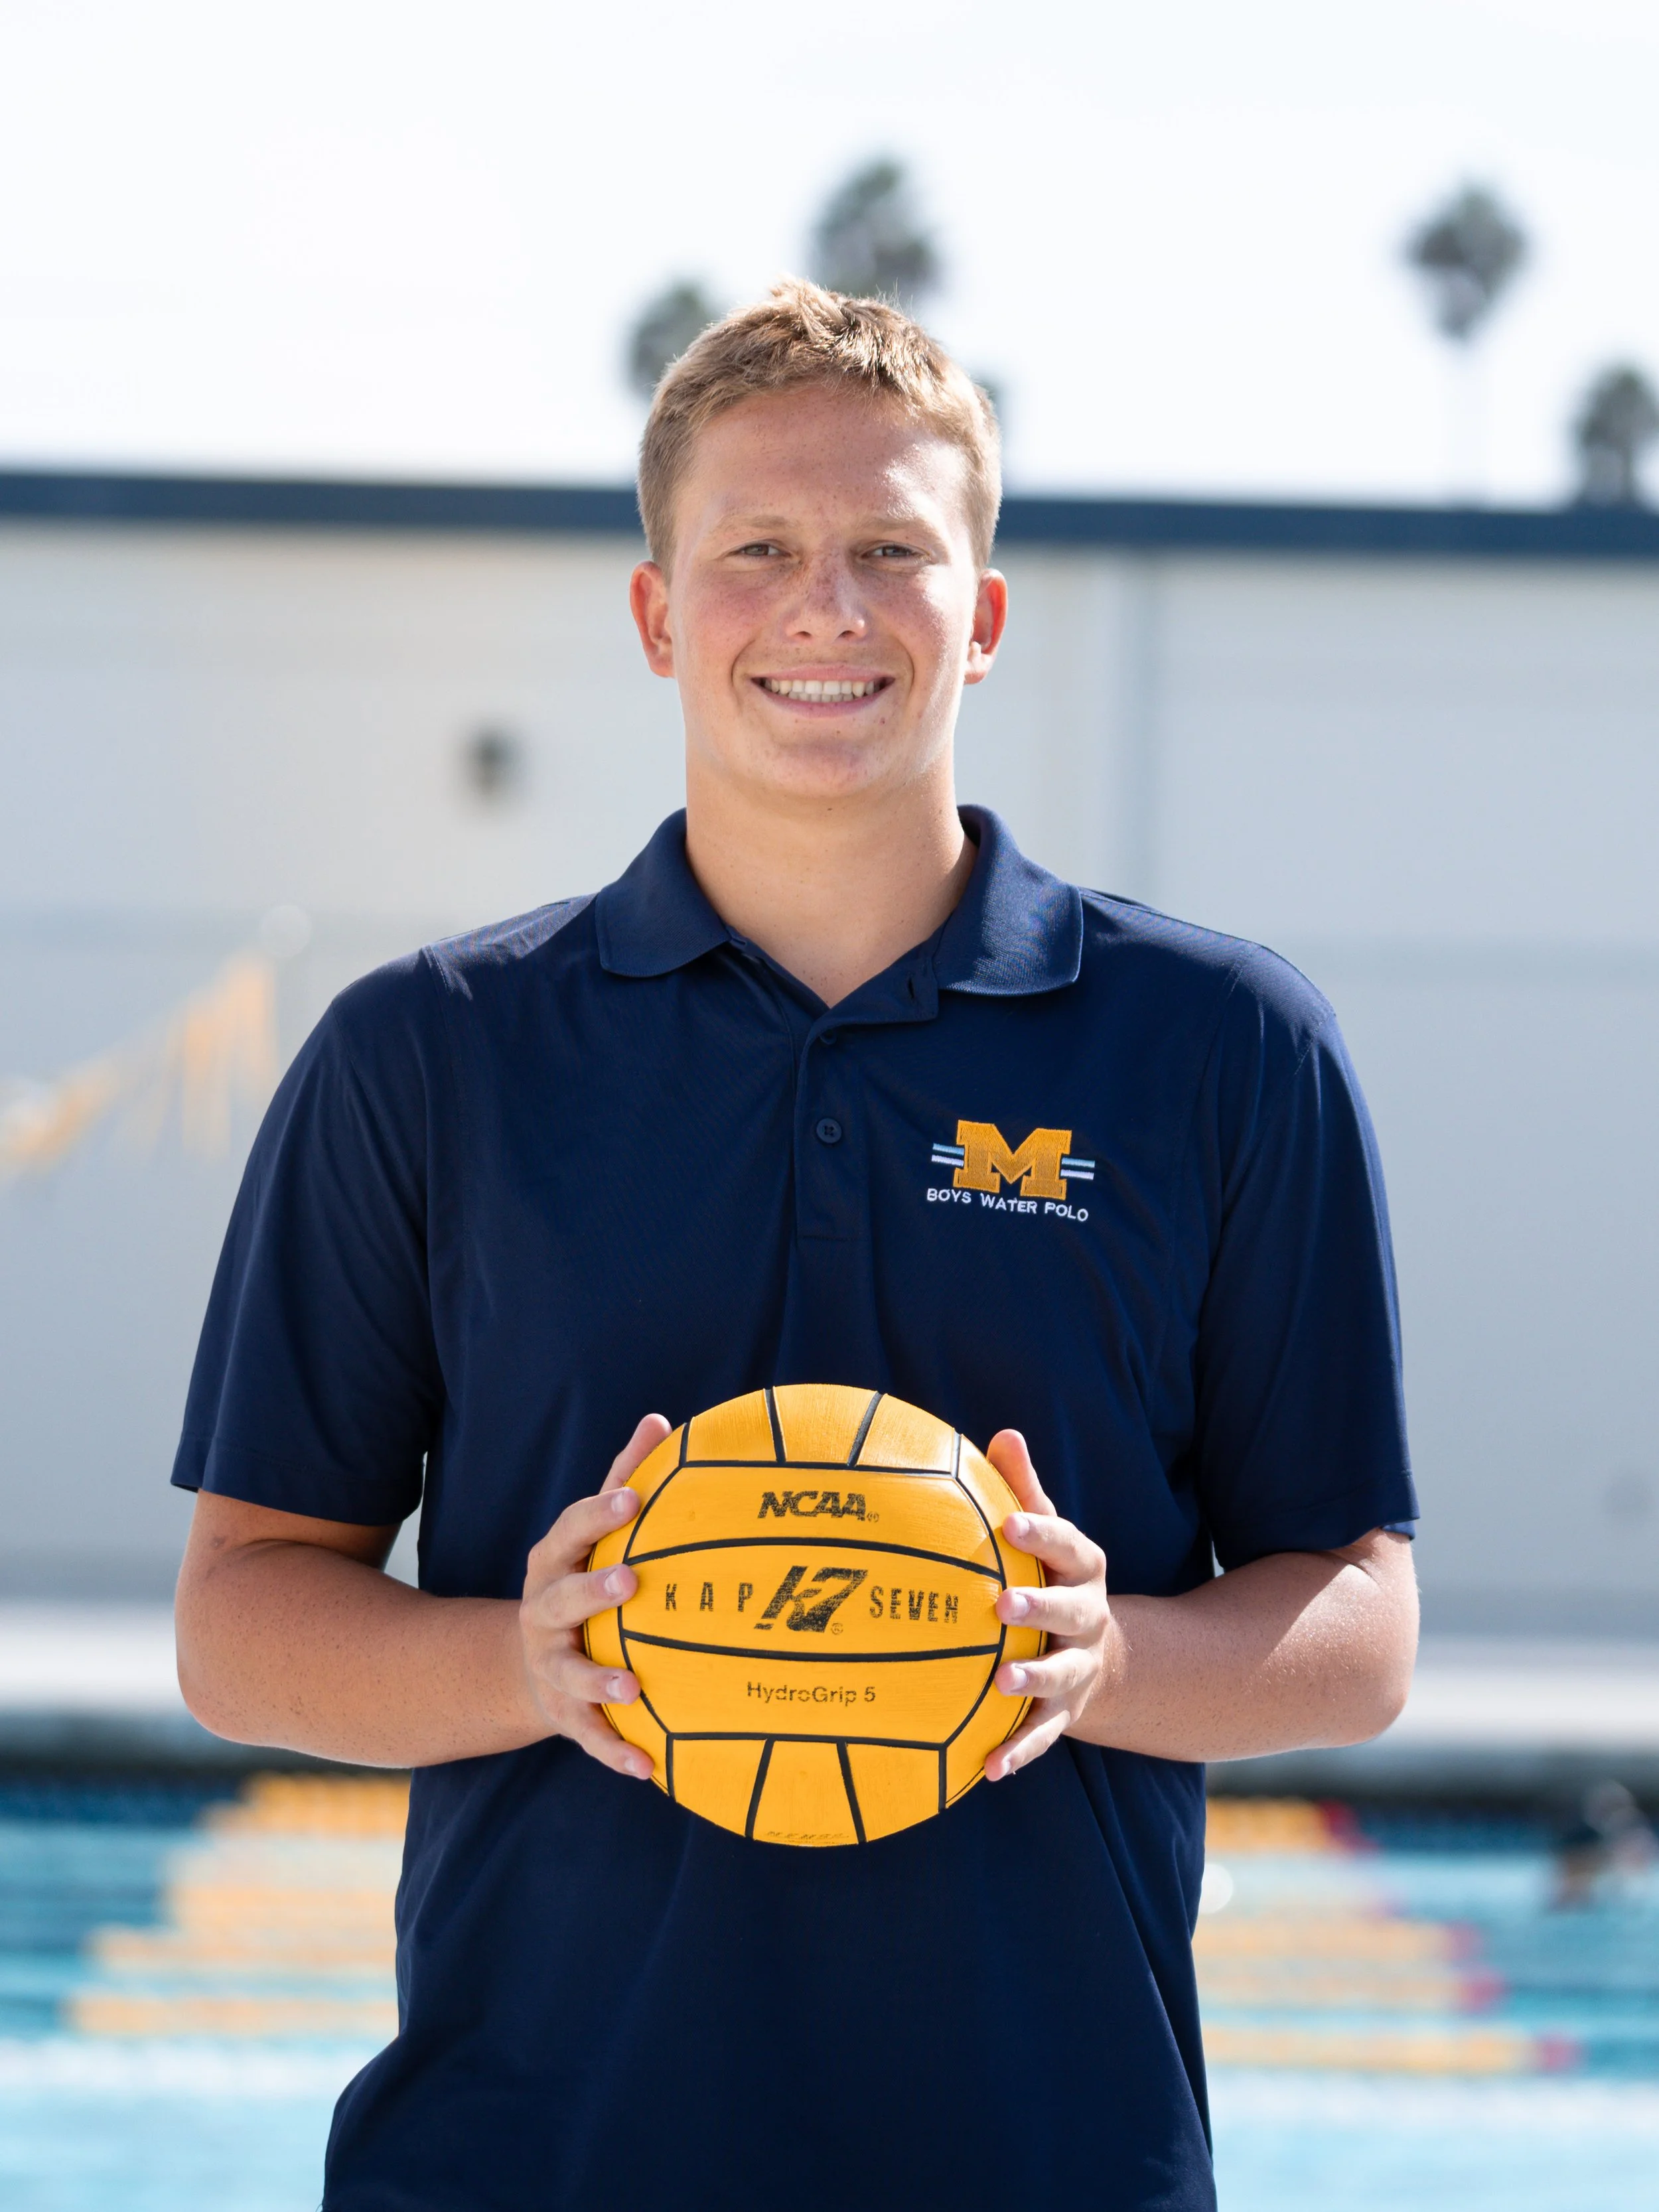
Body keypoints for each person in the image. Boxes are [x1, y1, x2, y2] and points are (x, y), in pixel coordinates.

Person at [173, 280, 1419, 2211]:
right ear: (662, 612)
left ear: (982, 616)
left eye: (890, 552)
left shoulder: (1220, 1047)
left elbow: (1354, 1620)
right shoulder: (431, 1054)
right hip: (528, 2156)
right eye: (756, 549)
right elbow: (243, 1619)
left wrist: (1107, 1655)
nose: (825, 606)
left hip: (1046, 2150)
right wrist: (535, 1659)